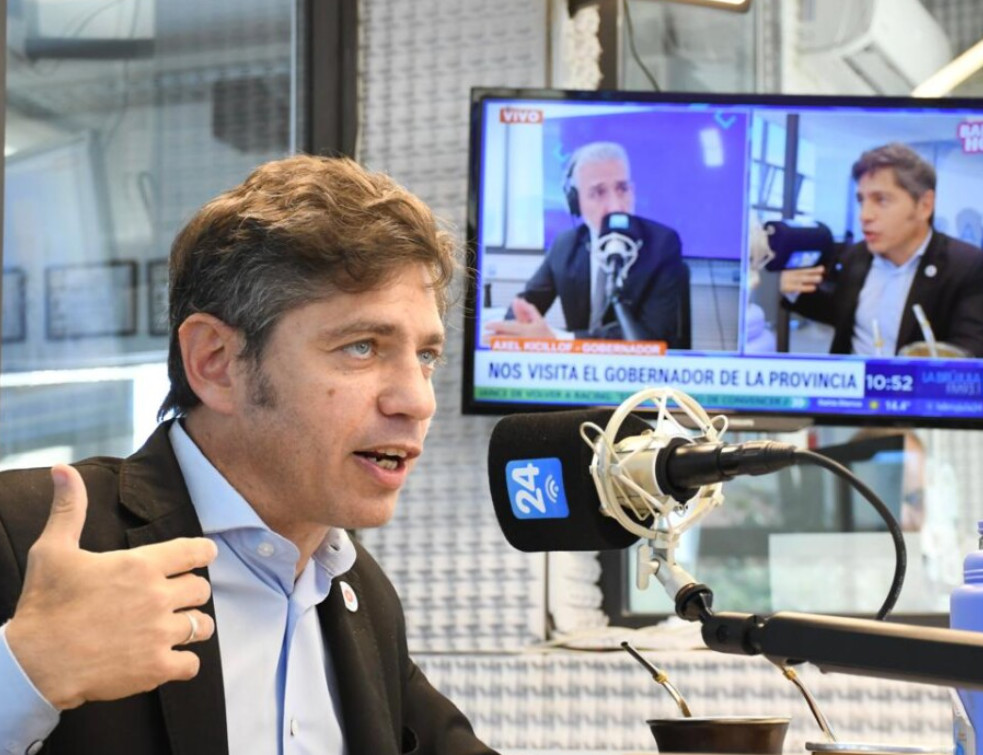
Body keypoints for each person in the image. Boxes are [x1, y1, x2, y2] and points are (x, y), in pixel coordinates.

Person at [0, 156, 497, 755]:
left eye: (426, 356)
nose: (418, 401)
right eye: (362, 347)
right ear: (215, 362)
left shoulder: (361, 593)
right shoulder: (22, 537)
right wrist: (23, 675)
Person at [780, 142, 983, 357]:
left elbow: (971, 348)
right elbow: (839, 314)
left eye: (881, 200)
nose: (864, 215)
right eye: (862, 200)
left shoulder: (967, 266)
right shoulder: (855, 256)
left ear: (924, 205)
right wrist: (795, 290)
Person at [485, 141, 690, 346]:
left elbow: (651, 335)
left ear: (632, 191)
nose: (615, 206)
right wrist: (517, 329)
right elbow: (526, 304)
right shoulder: (566, 245)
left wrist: (559, 340)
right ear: (575, 202)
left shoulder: (662, 244)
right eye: (598, 192)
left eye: (622, 189)